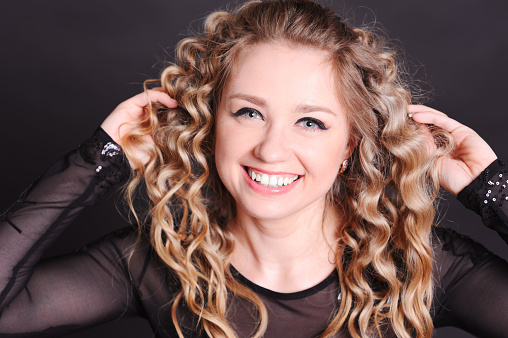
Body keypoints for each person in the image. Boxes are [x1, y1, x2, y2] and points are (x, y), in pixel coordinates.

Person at [1, 0, 507, 337]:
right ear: (211, 121)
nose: (271, 149)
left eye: (310, 122)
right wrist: (98, 159)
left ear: (350, 143)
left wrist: (492, 190)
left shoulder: (419, 267)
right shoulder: (154, 264)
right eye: (249, 113)